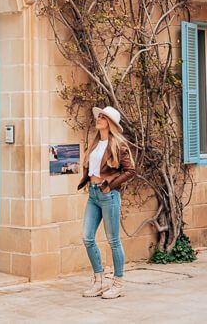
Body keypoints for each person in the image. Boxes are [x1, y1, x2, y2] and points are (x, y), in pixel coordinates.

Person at [77, 106, 135, 299]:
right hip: (93, 195)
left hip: (108, 195)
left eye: (103, 117)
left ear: (110, 123)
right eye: (99, 116)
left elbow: (130, 171)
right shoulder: (95, 143)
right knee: (87, 237)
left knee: (113, 241)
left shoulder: (119, 144)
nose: (99, 118)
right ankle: (99, 280)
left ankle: (118, 283)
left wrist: (110, 184)